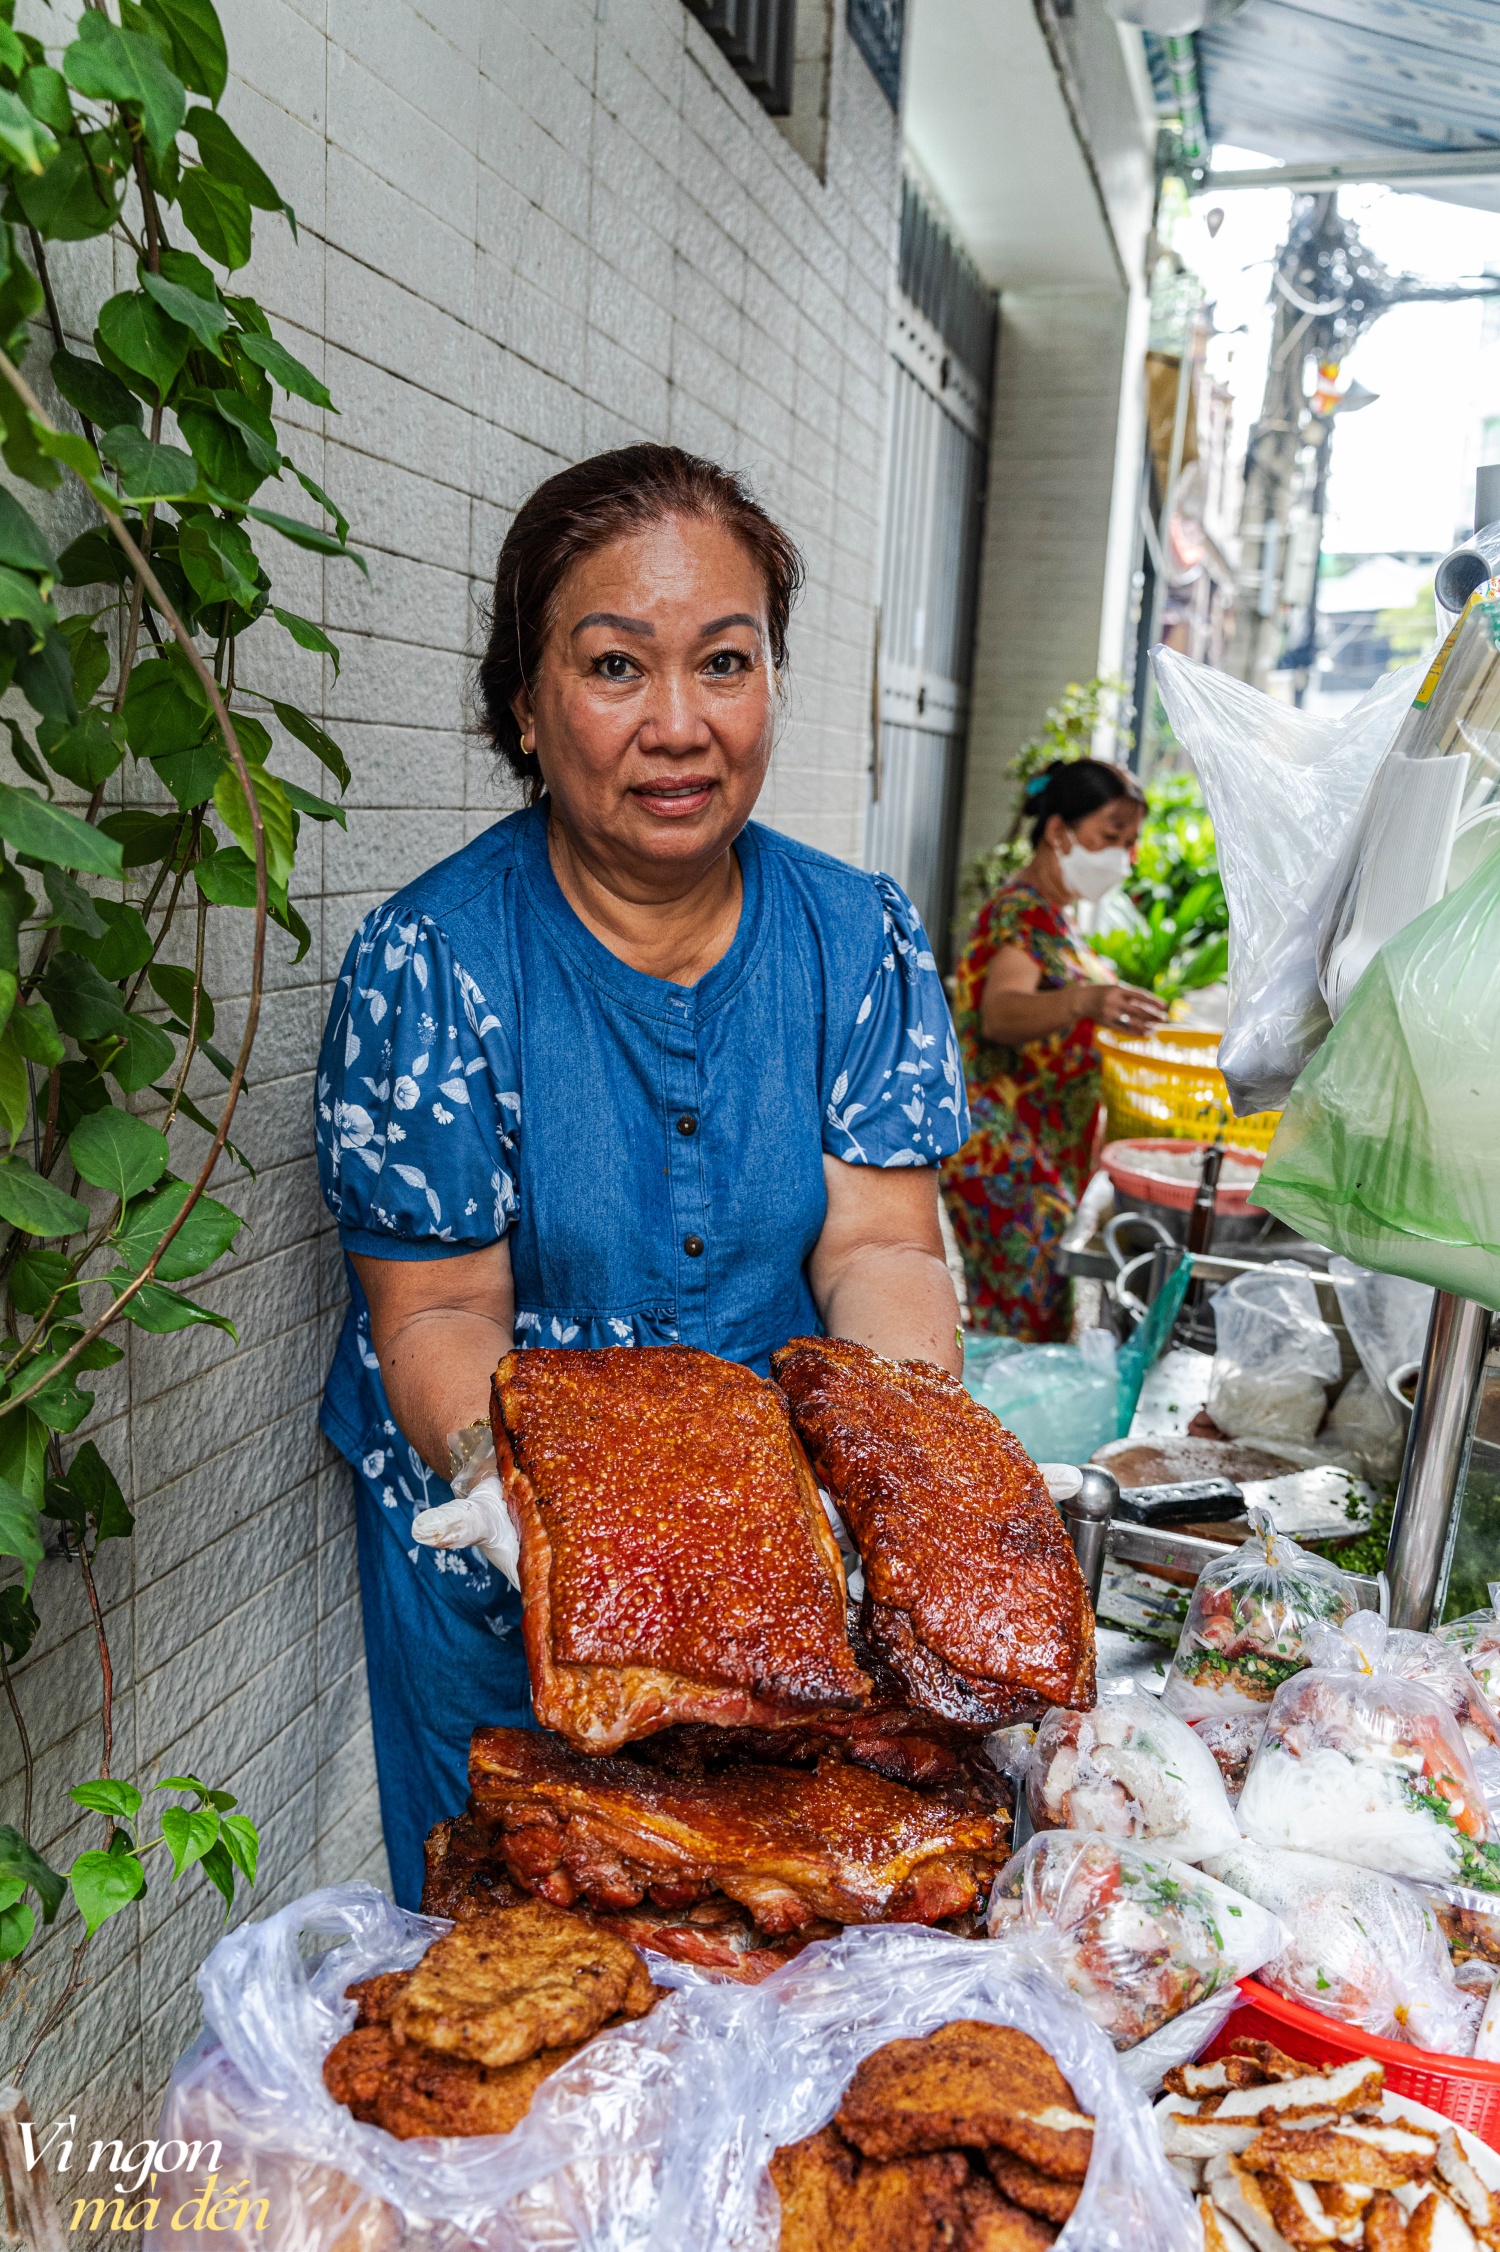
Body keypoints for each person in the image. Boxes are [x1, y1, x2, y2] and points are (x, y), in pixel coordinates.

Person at [314, 445, 969, 1907]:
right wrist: (517, 1491)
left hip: (782, 1565)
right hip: (506, 1556)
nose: (679, 726)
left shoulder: (859, 941)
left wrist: (904, 1473)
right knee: (516, 1965)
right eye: (616, 666)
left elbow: (880, 1248)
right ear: (526, 708)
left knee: (753, 1940)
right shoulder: (432, 966)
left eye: (724, 663)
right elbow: (431, 1316)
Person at [941, 757, 1167, 1343]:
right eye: (1111, 836)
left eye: (1132, 841)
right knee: (1024, 1333)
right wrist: (1086, 1003)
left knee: (1025, 1326)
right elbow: (1001, 1012)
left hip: (1040, 1160)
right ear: (1058, 832)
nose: (1126, 856)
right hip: (1007, 1163)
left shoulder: (1054, 919)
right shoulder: (1020, 914)